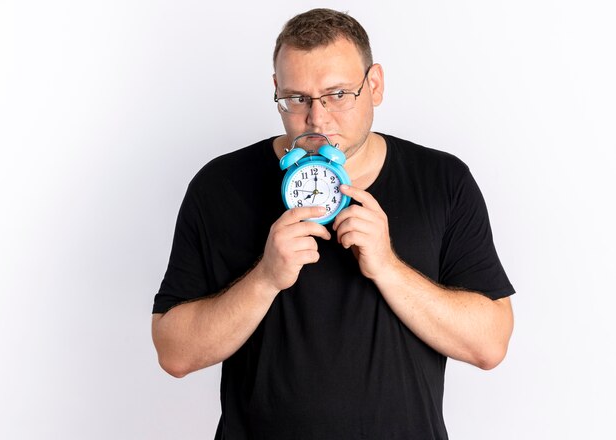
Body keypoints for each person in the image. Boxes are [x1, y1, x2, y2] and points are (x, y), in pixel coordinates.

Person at [151, 8, 514, 439]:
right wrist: (265, 277)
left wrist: (387, 267)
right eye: (297, 98)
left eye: (337, 94)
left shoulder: (442, 181)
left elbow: (490, 345)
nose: (317, 119)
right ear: (276, 91)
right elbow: (174, 352)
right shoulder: (219, 185)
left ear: (374, 85)